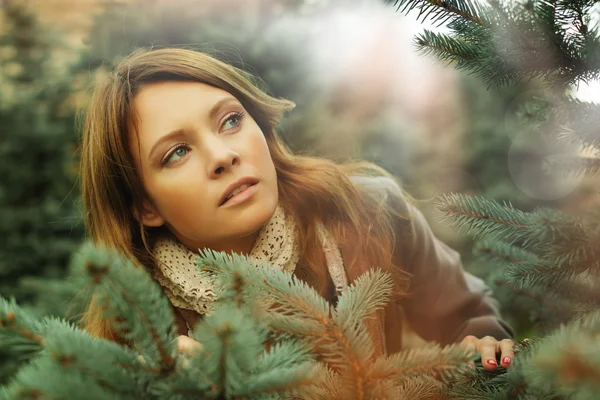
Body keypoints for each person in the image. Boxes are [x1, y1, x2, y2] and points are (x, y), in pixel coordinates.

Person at [79, 47, 515, 371]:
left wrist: (483, 342)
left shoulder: (368, 210)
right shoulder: (139, 327)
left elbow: (468, 320)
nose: (223, 155)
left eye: (230, 120)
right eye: (176, 152)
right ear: (144, 206)